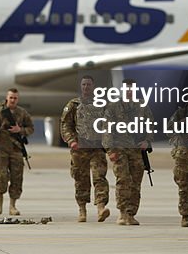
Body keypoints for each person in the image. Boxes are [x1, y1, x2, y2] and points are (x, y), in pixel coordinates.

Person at [61, 76, 110, 223]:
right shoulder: (74, 105)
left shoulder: (102, 104)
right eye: (83, 85)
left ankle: (101, 208)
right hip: (79, 149)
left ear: (93, 86)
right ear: (80, 87)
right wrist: (71, 140)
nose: (86, 87)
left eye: (89, 84)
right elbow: (65, 124)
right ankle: (82, 210)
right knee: (81, 179)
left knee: (99, 177)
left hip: (97, 148)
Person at [103, 79, 152, 226]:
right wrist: (110, 150)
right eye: (126, 89)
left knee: (136, 182)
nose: (129, 91)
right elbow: (107, 129)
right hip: (119, 149)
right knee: (123, 180)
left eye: (132, 89)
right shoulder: (113, 107)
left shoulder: (142, 106)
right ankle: (122, 213)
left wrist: (147, 141)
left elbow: (150, 125)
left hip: (136, 151)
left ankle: (131, 213)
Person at [0, 88, 34, 216]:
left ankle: (13, 205)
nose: (13, 100)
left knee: (17, 178)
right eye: (11, 98)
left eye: (15, 98)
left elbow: (31, 128)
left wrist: (20, 130)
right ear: (7, 98)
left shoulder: (22, 113)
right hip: (1, 150)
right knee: (1, 177)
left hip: (16, 150)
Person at [168, 99, 188, 228]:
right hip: (184, 154)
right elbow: (169, 129)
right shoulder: (181, 113)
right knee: (186, 186)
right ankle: (185, 215)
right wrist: (181, 124)